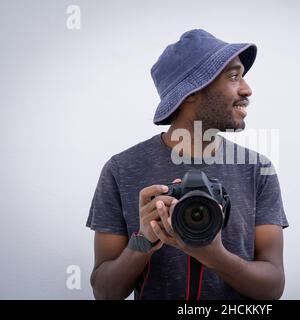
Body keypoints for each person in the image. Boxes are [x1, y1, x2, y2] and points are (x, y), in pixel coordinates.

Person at [86, 29, 289, 300]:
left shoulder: (257, 169)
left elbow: (272, 288)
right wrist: (143, 241)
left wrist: (215, 256)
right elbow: (104, 292)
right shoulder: (121, 170)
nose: (246, 88)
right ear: (191, 93)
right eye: (232, 75)